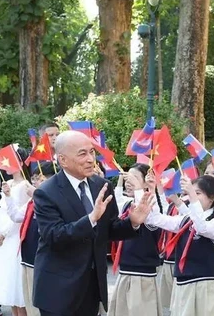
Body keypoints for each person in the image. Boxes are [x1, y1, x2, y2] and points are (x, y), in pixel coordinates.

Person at [32, 130, 154, 316]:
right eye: (82, 154)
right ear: (63, 160)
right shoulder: (46, 192)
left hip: (92, 286)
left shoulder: (102, 186)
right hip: (59, 289)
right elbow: (54, 236)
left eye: (92, 152)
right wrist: (91, 219)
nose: (91, 159)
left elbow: (109, 230)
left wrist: (132, 222)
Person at [146, 175, 214, 316]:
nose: (192, 197)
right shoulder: (186, 220)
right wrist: (152, 190)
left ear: (213, 196)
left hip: (205, 285)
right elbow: (155, 219)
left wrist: (191, 195)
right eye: (191, 193)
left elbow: (202, 227)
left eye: (198, 193)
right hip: (183, 284)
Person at [108, 164, 164, 316]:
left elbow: (148, 216)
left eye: (134, 178)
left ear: (146, 182)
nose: (129, 182)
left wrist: (140, 189)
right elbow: (116, 199)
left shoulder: (155, 205)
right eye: (128, 177)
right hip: (125, 271)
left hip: (142, 275)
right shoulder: (127, 204)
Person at [5, 161, 59, 316]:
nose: (34, 182)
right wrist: (8, 196)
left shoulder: (55, 199)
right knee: (30, 303)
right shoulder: (32, 201)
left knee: (44, 306)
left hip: (44, 262)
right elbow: (16, 216)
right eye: (34, 178)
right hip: (27, 258)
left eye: (39, 178)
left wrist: (37, 195)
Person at [0, 147, 31, 316]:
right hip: (3, 242)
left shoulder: (25, 186)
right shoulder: (9, 184)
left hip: (16, 239)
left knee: (18, 288)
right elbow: (0, 212)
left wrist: (4, 233)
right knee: (8, 287)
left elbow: (21, 214)